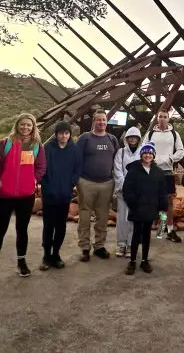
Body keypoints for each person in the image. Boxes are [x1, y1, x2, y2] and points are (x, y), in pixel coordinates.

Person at [0, 113, 46, 283]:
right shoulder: (6, 143)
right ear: (17, 125)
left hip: (26, 196)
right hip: (5, 195)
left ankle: (22, 262)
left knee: (22, 230)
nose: (25, 128)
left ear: (33, 127)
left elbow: (41, 166)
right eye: (23, 124)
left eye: (29, 125)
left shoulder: (35, 146)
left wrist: (34, 179)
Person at [76, 109, 120, 262]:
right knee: (85, 216)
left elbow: (117, 160)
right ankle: (85, 247)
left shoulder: (112, 139)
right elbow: (76, 159)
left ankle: (99, 246)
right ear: (93, 121)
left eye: (104, 120)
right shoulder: (85, 138)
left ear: (107, 122)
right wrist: (77, 181)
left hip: (107, 183)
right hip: (86, 182)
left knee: (102, 217)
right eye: (98, 120)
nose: (101, 122)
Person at [39, 121, 82, 271]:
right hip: (49, 193)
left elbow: (78, 169)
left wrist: (71, 183)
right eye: (60, 133)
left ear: (70, 134)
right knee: (48, 225)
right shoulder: (47, 148)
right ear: (56, 134)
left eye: (66, 133)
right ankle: (46, 256)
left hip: (65, 194)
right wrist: (45, 185)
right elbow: (41, 168)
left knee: (61, 225)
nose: (63, 136)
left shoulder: (74, 149)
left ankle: (56, 254)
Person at [122, 142, 167, 275]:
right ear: (141, 155)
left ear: (153, 155)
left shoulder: (158, 172)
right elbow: (127, 190)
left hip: (151, 208)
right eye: (145, 153)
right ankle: (132, 261)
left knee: (147, 235)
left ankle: (145, 260)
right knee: (136, 234)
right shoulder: (134, 170)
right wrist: (133, 204)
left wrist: (162, 207)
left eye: (150, 153)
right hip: (137, 208)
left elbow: (162, 192)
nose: (147, 155)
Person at [144, 109, 184, 243]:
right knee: (150, 200)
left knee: (168, 203)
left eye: (164, 117)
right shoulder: (150, 133)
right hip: (152, 171)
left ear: (168, 119)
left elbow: (181, 150)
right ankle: (147, 230)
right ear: (157, 119)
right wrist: (150, 159)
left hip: (167, 172)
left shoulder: (174, 134)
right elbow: (143, 148)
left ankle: (169, 230)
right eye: (160, 116)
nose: (162, 119)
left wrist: (171, 159)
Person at [113, 127, 143, 257]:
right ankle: (121, 245)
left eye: (135, 137)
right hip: (123, 192)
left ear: (138, 138)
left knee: (134, 219)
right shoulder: (121, 152)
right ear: (126, 139)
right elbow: (117, 170)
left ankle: (131, 245)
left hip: (137, 192)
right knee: (122, 219)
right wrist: (126, 186)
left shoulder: (143, 152)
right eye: (130, 137)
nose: (132, 139)